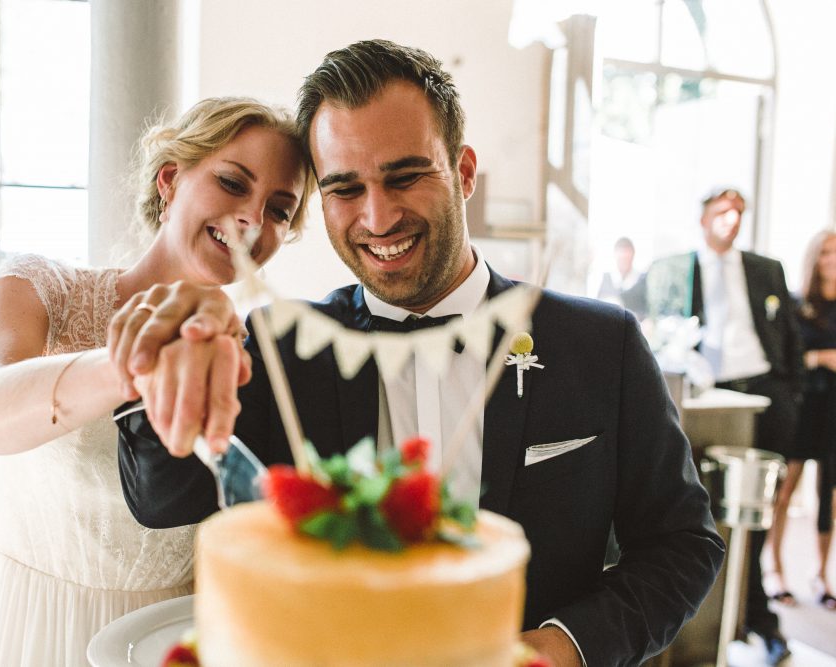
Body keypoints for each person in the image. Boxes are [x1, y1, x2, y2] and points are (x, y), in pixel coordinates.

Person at [115, 40, 724, 666]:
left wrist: (563, 647)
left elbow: (683, 544)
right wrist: (167, 337)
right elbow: (165, 500)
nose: (378, 218)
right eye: (345, 188)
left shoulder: (601, 344)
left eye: (405, 177)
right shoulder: (278, 346)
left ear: (463, 172)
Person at [0, 97, 312, 666]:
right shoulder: (40, 289)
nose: (252, 219)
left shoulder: (250, 352)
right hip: (38, 623)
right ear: (170, 180)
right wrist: (138, 358)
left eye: (279, 210)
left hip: (175, 632)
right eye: (231, 183)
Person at [646, 187, 804, 664]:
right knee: (696, 512)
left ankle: (755, 617)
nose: (731, 220)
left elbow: (789, 336)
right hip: (704, 396)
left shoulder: (765, 268)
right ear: (703, 218)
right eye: (722, 211)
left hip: (764, 393)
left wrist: (789, 392)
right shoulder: (676, 269)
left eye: (738, 212)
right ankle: (693, 626)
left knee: (756, 513)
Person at [768, 229, 836, 611]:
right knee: (785, 490)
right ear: (815, 258)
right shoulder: (797, 306)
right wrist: (822, 358)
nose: (832, 259)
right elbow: (787, 358)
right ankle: (775, 568)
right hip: (802, 407)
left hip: (833, 411)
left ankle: (822, 573)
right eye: (825, 252)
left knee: (829, 496)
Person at [595, 236, 647, 317]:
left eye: (626, 257)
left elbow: (646, 311)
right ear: (615, 256)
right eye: (621, 258)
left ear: (633, 255)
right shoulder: (607, 279)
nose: (624, 261)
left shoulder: (641, 281)